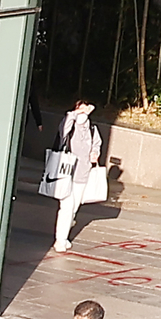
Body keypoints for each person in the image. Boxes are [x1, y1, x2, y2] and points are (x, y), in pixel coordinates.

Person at [49, 99, 104, 251]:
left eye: (86, 111)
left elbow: (97, 144)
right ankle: (60, 240)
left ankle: (64, 233)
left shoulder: (92, 128)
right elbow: (63, 130)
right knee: (66, 206)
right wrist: (75, 113)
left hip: (83, 173)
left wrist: (95, 153)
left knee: (74, 207)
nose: (83, 114)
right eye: (80, 110)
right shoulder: (70, 125)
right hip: (66, 172)